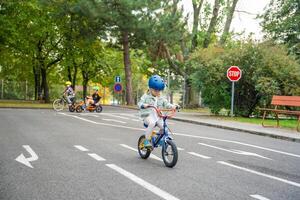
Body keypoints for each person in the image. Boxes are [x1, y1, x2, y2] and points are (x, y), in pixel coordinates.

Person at [138, 75, 178, 148]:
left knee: (164, 128)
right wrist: (144, 105)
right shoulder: (146, 96)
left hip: (157, 116)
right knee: (152, 123)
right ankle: (146, 141)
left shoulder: (161, 97)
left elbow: (166, 104)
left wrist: (173, 106)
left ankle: (158, 139)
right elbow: (140, 103)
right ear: (150, 89)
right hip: (148, 116)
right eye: (155, 90)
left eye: (159, 90)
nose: (157, 92)